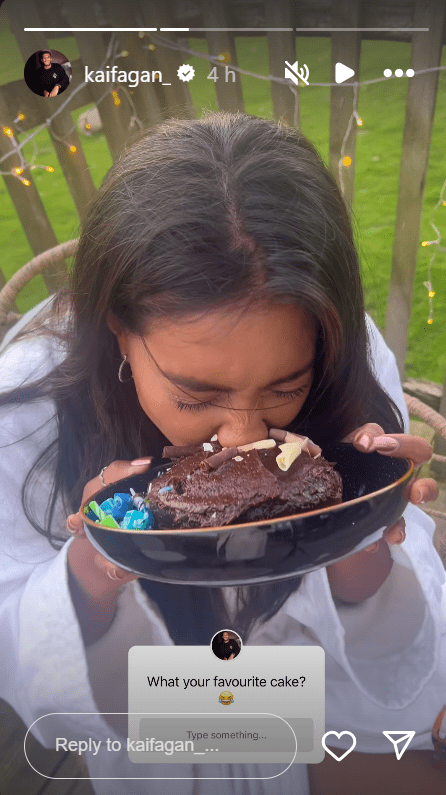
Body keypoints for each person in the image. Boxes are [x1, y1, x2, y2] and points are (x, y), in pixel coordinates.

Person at [0, 112, 445, 795]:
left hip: (320, 690)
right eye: (194, 390)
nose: (242, 433)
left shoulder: (339, 351)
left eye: (285, 386)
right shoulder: (26, 415)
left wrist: (359, 530)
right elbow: (43, 683)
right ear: (119, 327)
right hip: (146, 720)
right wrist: (103, 554)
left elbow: (391, 660)